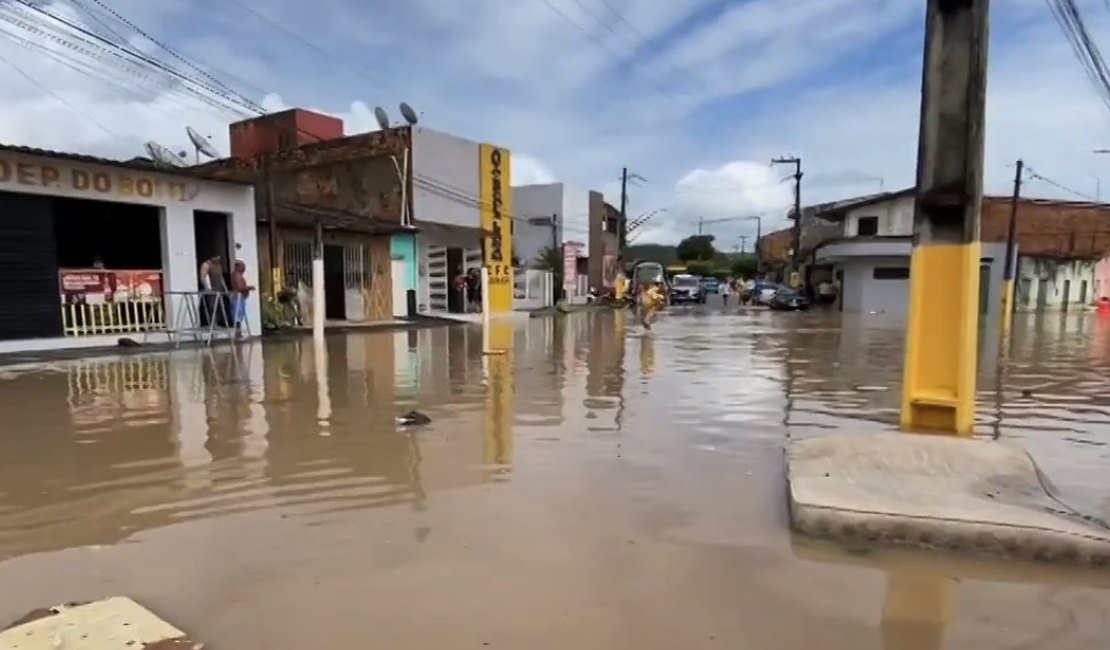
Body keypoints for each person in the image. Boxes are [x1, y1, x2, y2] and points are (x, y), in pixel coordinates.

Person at [230, 260, 254, 339]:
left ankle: (238, 333)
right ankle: (238, 334)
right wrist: (249, 288)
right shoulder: (236, 275)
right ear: (237, 267)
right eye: (242, 266)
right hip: (237, 297)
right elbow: (239, 287)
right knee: (237, 316)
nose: (244, 268)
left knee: (239, 316)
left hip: (240, 298)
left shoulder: (238, 275)